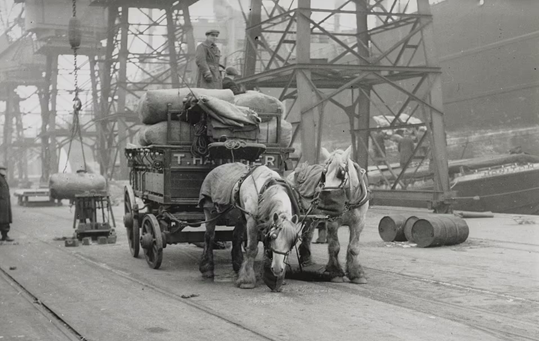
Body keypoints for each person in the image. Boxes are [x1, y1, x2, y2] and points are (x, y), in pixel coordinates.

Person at [0, 165, 13, 242]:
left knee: (5, 219)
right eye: (3, 169)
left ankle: (5, 235)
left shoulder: (3, 178)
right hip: (1, 202)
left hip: (5, 202)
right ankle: (4, 235)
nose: (5, 171)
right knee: (3, 219)